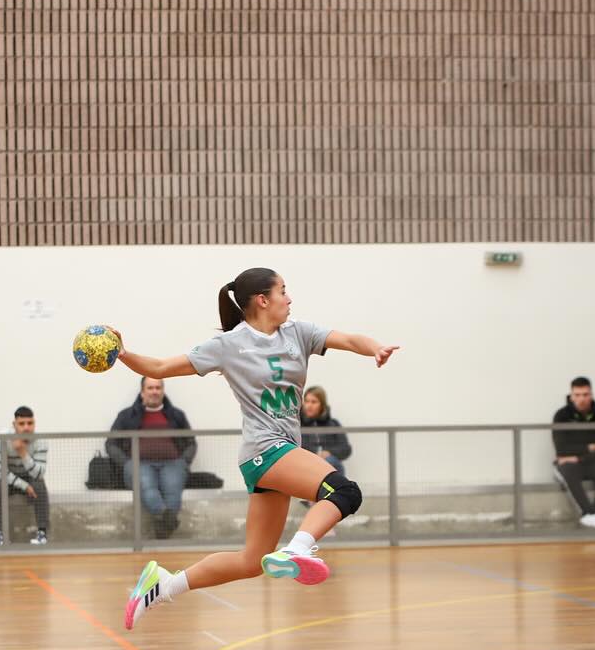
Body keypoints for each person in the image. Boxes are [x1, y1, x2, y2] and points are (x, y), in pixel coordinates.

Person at [114, 266, 398, 629]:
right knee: (344, 491)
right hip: (265, 449)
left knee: (251, 561)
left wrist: (375, 348)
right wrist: (123, 353)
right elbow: (159, 367)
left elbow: (348, 339)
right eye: (283, 291)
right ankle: (297, 549)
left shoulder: (299, 332)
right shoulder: (229, 345)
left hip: (279, 452)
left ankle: (163, 586)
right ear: (263, 300)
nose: (289, 298)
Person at [105, 377, 196, 539]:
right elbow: (111, 444)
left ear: (163, 391)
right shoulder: (126, 416)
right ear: (142, 392)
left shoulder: (176, 415)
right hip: (139, 464)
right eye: (150, 388)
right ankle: (167, 519)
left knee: (173, 492)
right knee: (147, 487)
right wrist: (127, 464)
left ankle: (163, 529)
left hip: (173, 464)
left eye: (158, 388)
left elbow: (191, 443)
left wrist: (183, 461)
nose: (154, 392)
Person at [552, 376, 595, 531]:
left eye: (585, 394)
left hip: (590, 462)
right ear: (571, 396)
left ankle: (594, 515)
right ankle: (588, 514)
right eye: (578, 395)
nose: (582, 399)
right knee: (568, 470)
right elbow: (561, 450)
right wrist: (588, 447)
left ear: (591, 395)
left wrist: (577, 456)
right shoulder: (561, 416)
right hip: (569, 464)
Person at [0, 405, 50, 546]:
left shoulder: (41, 441)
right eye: (22, 424)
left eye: (30, 423)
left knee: (40, 486)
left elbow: (39, 473)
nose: (26, 428)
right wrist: (24, 486)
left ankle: (42, 533)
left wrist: (23, 453)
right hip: (7, 477)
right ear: (14, 424)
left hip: (30, 476)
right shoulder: (2, 438)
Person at [299, 386, 352, 478]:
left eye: (314, 402)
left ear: (322, 405)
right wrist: (314, 454)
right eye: (306, 401)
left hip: (329, 464)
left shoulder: (333, 424)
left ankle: (337, 487)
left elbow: (345, 449)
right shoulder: (297, 424)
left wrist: (329, 452)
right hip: (306, 464)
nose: (309, 405)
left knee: (331, 462)